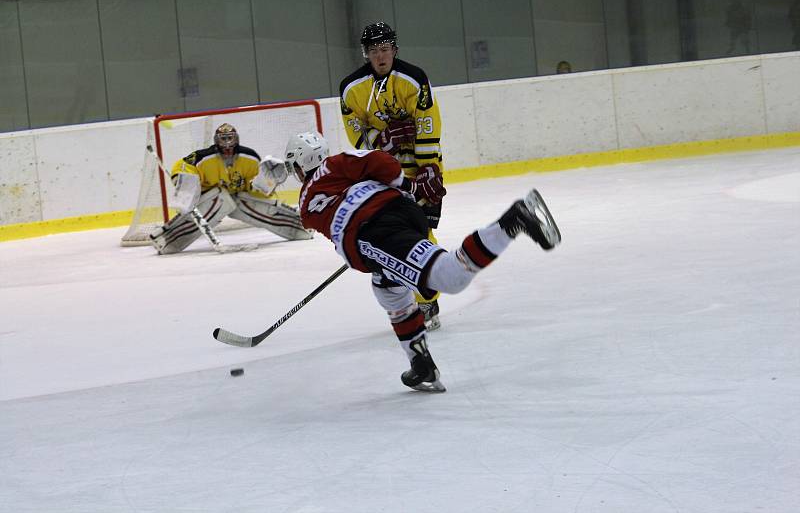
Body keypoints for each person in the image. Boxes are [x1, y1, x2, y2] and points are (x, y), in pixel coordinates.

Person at [284, 131, 561, 392]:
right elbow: (382, 162)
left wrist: (357, 244)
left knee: (449, 277)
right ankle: (421, 365)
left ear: (301, 162)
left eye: (293, 165)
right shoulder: (339, 164)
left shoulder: (308, 201)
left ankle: (513, 220)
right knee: (387, 289)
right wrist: (410, 187)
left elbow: (339, 225)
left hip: (375, 230)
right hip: (399, 215)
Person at [339, 21, 445, 331]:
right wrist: (384, 139)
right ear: (366, 54)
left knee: (420, 229)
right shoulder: (351, 88)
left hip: (419, 166)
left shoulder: (413, 78)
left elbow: (427, 125)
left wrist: (428, 170)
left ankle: (426, 299)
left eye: (385, 49)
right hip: (380, 172)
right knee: (394, 234)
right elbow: (356, 135)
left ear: (394, 50)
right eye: (374, 51)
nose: (381, 56)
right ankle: (420, 297)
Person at [150, 123, 312, 254]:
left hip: (235, 197)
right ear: (216, 142)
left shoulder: (249, 158)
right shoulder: (203, 157)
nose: (227, 145)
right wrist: (183, 180)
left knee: (247, 203)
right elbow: (183, 164)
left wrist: (268, 181)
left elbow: (256, 189)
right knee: (220, 198)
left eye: (230, 139)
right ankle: (167, 239)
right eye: (223, 140)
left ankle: (298, 226)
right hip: (206, 196)